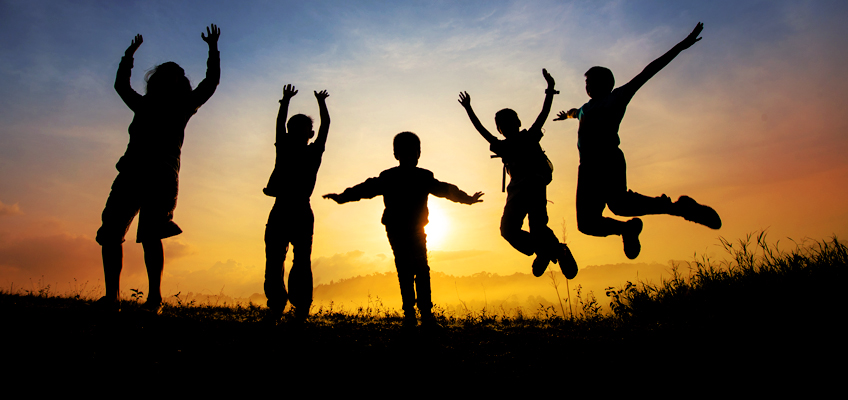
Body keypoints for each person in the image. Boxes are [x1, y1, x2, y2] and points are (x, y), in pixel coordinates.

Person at [554, 22, 720, 259]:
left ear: (605, 83)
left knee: (620, 205)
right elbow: (575, 111)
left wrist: (682, 46)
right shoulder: (585, 108)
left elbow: (649, 71)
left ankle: (680, 208)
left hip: (608, 161)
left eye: (591, 82)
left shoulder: (617, 98)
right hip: (588, 169)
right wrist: (567, 115)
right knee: (587, 225)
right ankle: (627, 229)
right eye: (586, 83)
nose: (587, 86)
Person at [95, 25, 221, 313]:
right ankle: (112, 297)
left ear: (179, 83)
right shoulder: (143, 105)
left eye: (172, 76)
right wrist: (128, 56)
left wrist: (213, 49)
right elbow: (121, 86)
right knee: (111, 232)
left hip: (161, 178)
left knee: (151, 235)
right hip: (130, 174)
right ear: (156, 81)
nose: (166, 79)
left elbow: (210, 83)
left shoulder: (183, 106)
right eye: (163, 75)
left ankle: (154, 299)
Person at [323, 132, 483, 328]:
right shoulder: (390, 177)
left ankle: (424, 314)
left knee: (419, 269)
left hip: (415, 230)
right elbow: (366, 188)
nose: (409, 157)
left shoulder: (421, 176)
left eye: (412, 153)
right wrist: (342, 197)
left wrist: (467, 198)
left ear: (419, 154)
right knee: (407, 269)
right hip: (397, 230)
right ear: (396, 154)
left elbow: (445, 189)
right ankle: (411, 314)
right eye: (405, 153)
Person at [458, 68, 578, 279]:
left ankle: (551, 250)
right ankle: (549, 250)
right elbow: (481, 130)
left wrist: (550, 90)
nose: (506, 126)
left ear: (518, 123)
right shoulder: (502, 146)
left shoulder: (530, 137)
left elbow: (544, 113)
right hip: (516, 193)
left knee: (537, 228)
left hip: (534, 186)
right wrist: (468, 108)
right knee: (508, 230)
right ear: (500, 130)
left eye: (510, 122)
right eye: (502, 125)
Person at [262, 84, 330, 321]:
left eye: (305, 129)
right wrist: (287, 102)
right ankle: (284, 305)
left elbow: (324, 127)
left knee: (290, 259)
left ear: (309, 134)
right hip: (289, 208)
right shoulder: (290, 148)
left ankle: (292, 305)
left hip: (294, 208)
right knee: (280, 258)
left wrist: (288, 101)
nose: (302, 132)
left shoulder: (305, 150)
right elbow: (282, 125)